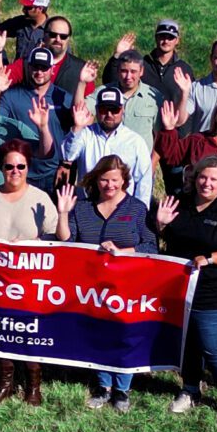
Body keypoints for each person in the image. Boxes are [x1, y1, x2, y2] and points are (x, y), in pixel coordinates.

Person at [157, 157, 217, 426]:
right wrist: (161, 224)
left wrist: (210, 258)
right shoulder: (182, 201)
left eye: (213, 178)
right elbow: (168, 241)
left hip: (216, 292)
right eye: (202, 177)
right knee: (188, 345)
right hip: (180, 288)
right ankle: (190, 390)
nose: (206, 183)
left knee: (213, 349)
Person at [0, 142, 61, 405]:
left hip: (29, 281)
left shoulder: (41, 198)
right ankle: (5, 382)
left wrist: (36, 242)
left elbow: (57, 238)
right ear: (1, 168)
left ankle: (33, 384)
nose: (15, 171)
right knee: (1, 330)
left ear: (28, 168)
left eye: (21, 166)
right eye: (9, 166)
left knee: (29, 330)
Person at [58, 154, 156, 410]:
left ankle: (122, 388)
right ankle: (103, 385)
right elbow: (67, 243)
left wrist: (123, 253)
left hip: (127, 284)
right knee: (98, 332)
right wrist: (62, 214)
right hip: (91, 286)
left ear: (124, 180)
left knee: (125, 334)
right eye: (104, 180)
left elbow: (151, 246)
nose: (109, 185)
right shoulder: (82, 207)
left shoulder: (136, 209)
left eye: (114, 180)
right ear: (96, 180)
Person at [60, 85, 153, 201]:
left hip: (123, 210)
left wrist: (140, 211)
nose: (109, 115)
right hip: (88, 206)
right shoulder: (85, 134)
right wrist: (77, 128)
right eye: (104, 110)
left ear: (122, 110)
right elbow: (68, 155)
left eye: (114, 110)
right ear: (96, 110)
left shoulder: (135, 141)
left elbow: (144, 182)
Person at [0, 49, 64, 187]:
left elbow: (74, 132)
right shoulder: (11, 96)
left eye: (44, 68)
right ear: (28, 67)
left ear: (52, 69)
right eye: (35, 67)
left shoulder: (63, 98)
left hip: (53, 172)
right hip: (22, 172)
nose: (39, 72)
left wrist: (67, 164)